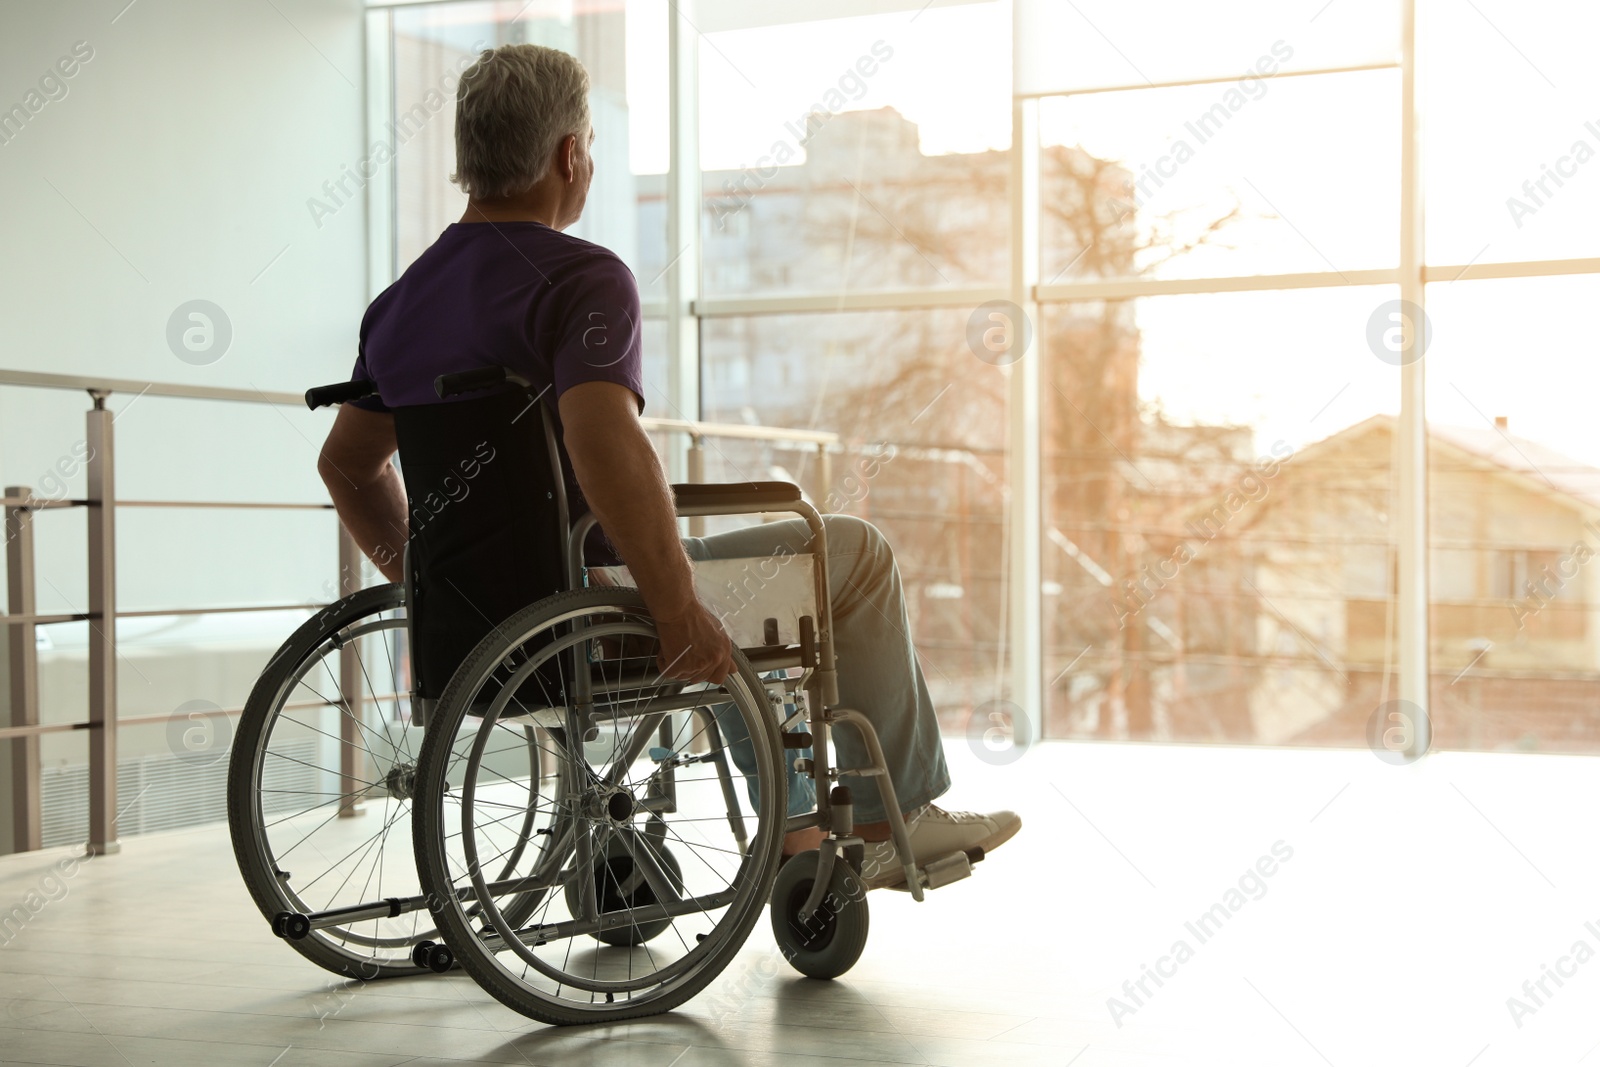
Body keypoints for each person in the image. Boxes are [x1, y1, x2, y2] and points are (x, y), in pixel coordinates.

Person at [317, 43, 1019, 888]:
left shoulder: (398, 306)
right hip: (592, 607)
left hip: (477, 633)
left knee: (741, 591)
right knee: (849, 551)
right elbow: (602, 440)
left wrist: (426, 582)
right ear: (571, 155)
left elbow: (349, 466)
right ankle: (883, 818)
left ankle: (798, 839)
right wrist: (677, 604)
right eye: (590, 149)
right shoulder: (581, 279)